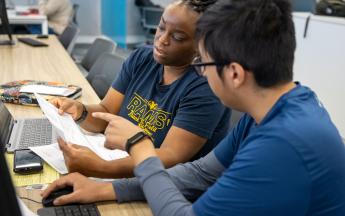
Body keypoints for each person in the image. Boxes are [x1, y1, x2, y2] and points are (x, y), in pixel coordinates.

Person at [42, 0, 345, 215]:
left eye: (203, 63)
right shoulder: (273, 109)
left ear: (235, 73)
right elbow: (199, 174)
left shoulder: (284, 143)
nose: (199, 71)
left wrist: (140, 146)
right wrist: (106, 189)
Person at [51, 0, 230, 178]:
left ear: (202, 46)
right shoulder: (142, 58)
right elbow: (106, 112)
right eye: (161, 27)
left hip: (164, 183)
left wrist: (101, 167)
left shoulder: (205, 86)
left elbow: (170, 156)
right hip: (122, 163)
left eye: (177, 37)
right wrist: (81, 111)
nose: (162, 39)